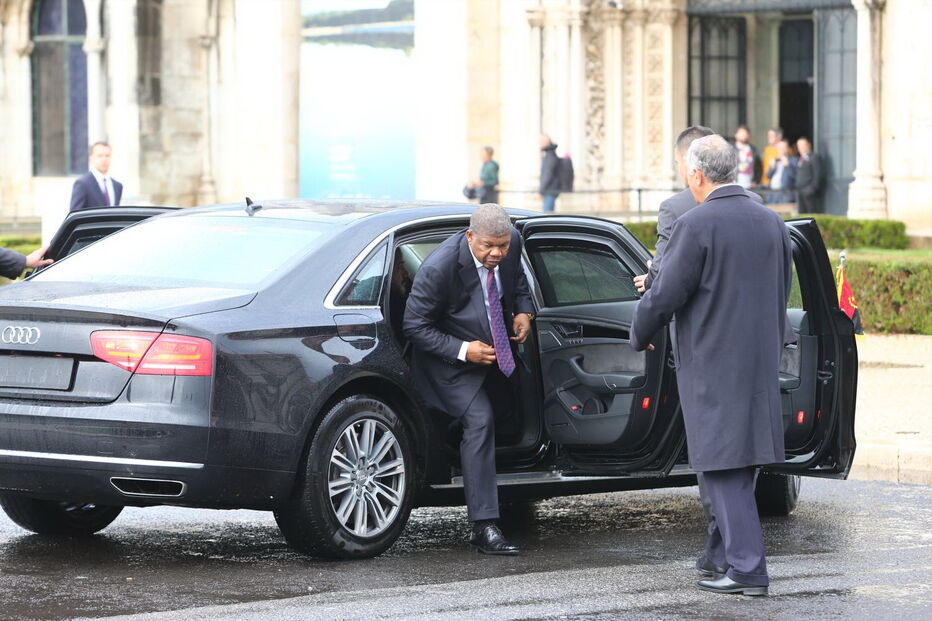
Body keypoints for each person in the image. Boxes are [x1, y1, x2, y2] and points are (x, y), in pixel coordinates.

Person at [630, 134, 793, 597]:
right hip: (760, 363)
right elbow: (782, 293)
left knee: (721, 467)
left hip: (712, 365)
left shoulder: (697, 225)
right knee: (740, 468)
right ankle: (724, 558)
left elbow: (664, 294)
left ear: (695, 175)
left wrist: (639, 332)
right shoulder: (772, 223)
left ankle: (747, 569)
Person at [403, 203, 534, 555]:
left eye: (502, 246)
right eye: (488, 246)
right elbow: (414, 327)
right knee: (480, 421)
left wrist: (524, 310)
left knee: (515, 409)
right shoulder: (438, 268)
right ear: (470, 236)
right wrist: (464, 350)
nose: (497, 253)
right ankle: (484, 526)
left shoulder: (513, 243)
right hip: (449, 363)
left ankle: (500, 484)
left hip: (496, 356)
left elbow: (516, 279)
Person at [633, 125, 762, 293]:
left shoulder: (673, 208)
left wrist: (652, 277)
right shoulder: (756, 202)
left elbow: (662, 273)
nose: (679, 169)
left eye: (678, 162)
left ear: (689, 160)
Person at [69, 142, 123, 212]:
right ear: (90, 158)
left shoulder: (117, 186)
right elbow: (75, 215)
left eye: (107, 155)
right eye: (99, 156)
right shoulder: (82, 184)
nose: (104, 159)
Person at [765, 139, 798, 204]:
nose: (781, 149)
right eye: (780, 148)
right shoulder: (774, 160)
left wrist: (787, 165)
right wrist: (772, 167)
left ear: (787, 149)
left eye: (783, 147)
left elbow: (795, 177)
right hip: (773, 192)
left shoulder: (793, 160)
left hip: (785, 193)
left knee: (784, 213)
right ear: (777, 149)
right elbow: (768, 176)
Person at [795, 137, 823, 213]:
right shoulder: (800, 159)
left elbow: (817, 174)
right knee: (801, 215)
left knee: (811, 214)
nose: (801, 148)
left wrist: (812, 189)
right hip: (800, 192)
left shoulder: (814, 157)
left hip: (809, 192)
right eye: (799, 146)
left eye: (803, 145)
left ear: (808, 145)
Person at [733, 125, 761, 189]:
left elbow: (759, 167)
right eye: (741, 133)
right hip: (735, 185)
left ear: (748, 136)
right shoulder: (730, 149)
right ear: (736, 135)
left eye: (745, 133)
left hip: (750, 186)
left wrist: (756, 181)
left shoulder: (753, 150)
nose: (743, 135)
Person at [539, 134, 561, 213]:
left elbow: (547, 174)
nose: (539, 144)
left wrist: (541, 190)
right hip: (550, 190)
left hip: (550, 191)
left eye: (541, 141)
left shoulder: (550, 156)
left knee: (547, 214)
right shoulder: (551, 154)